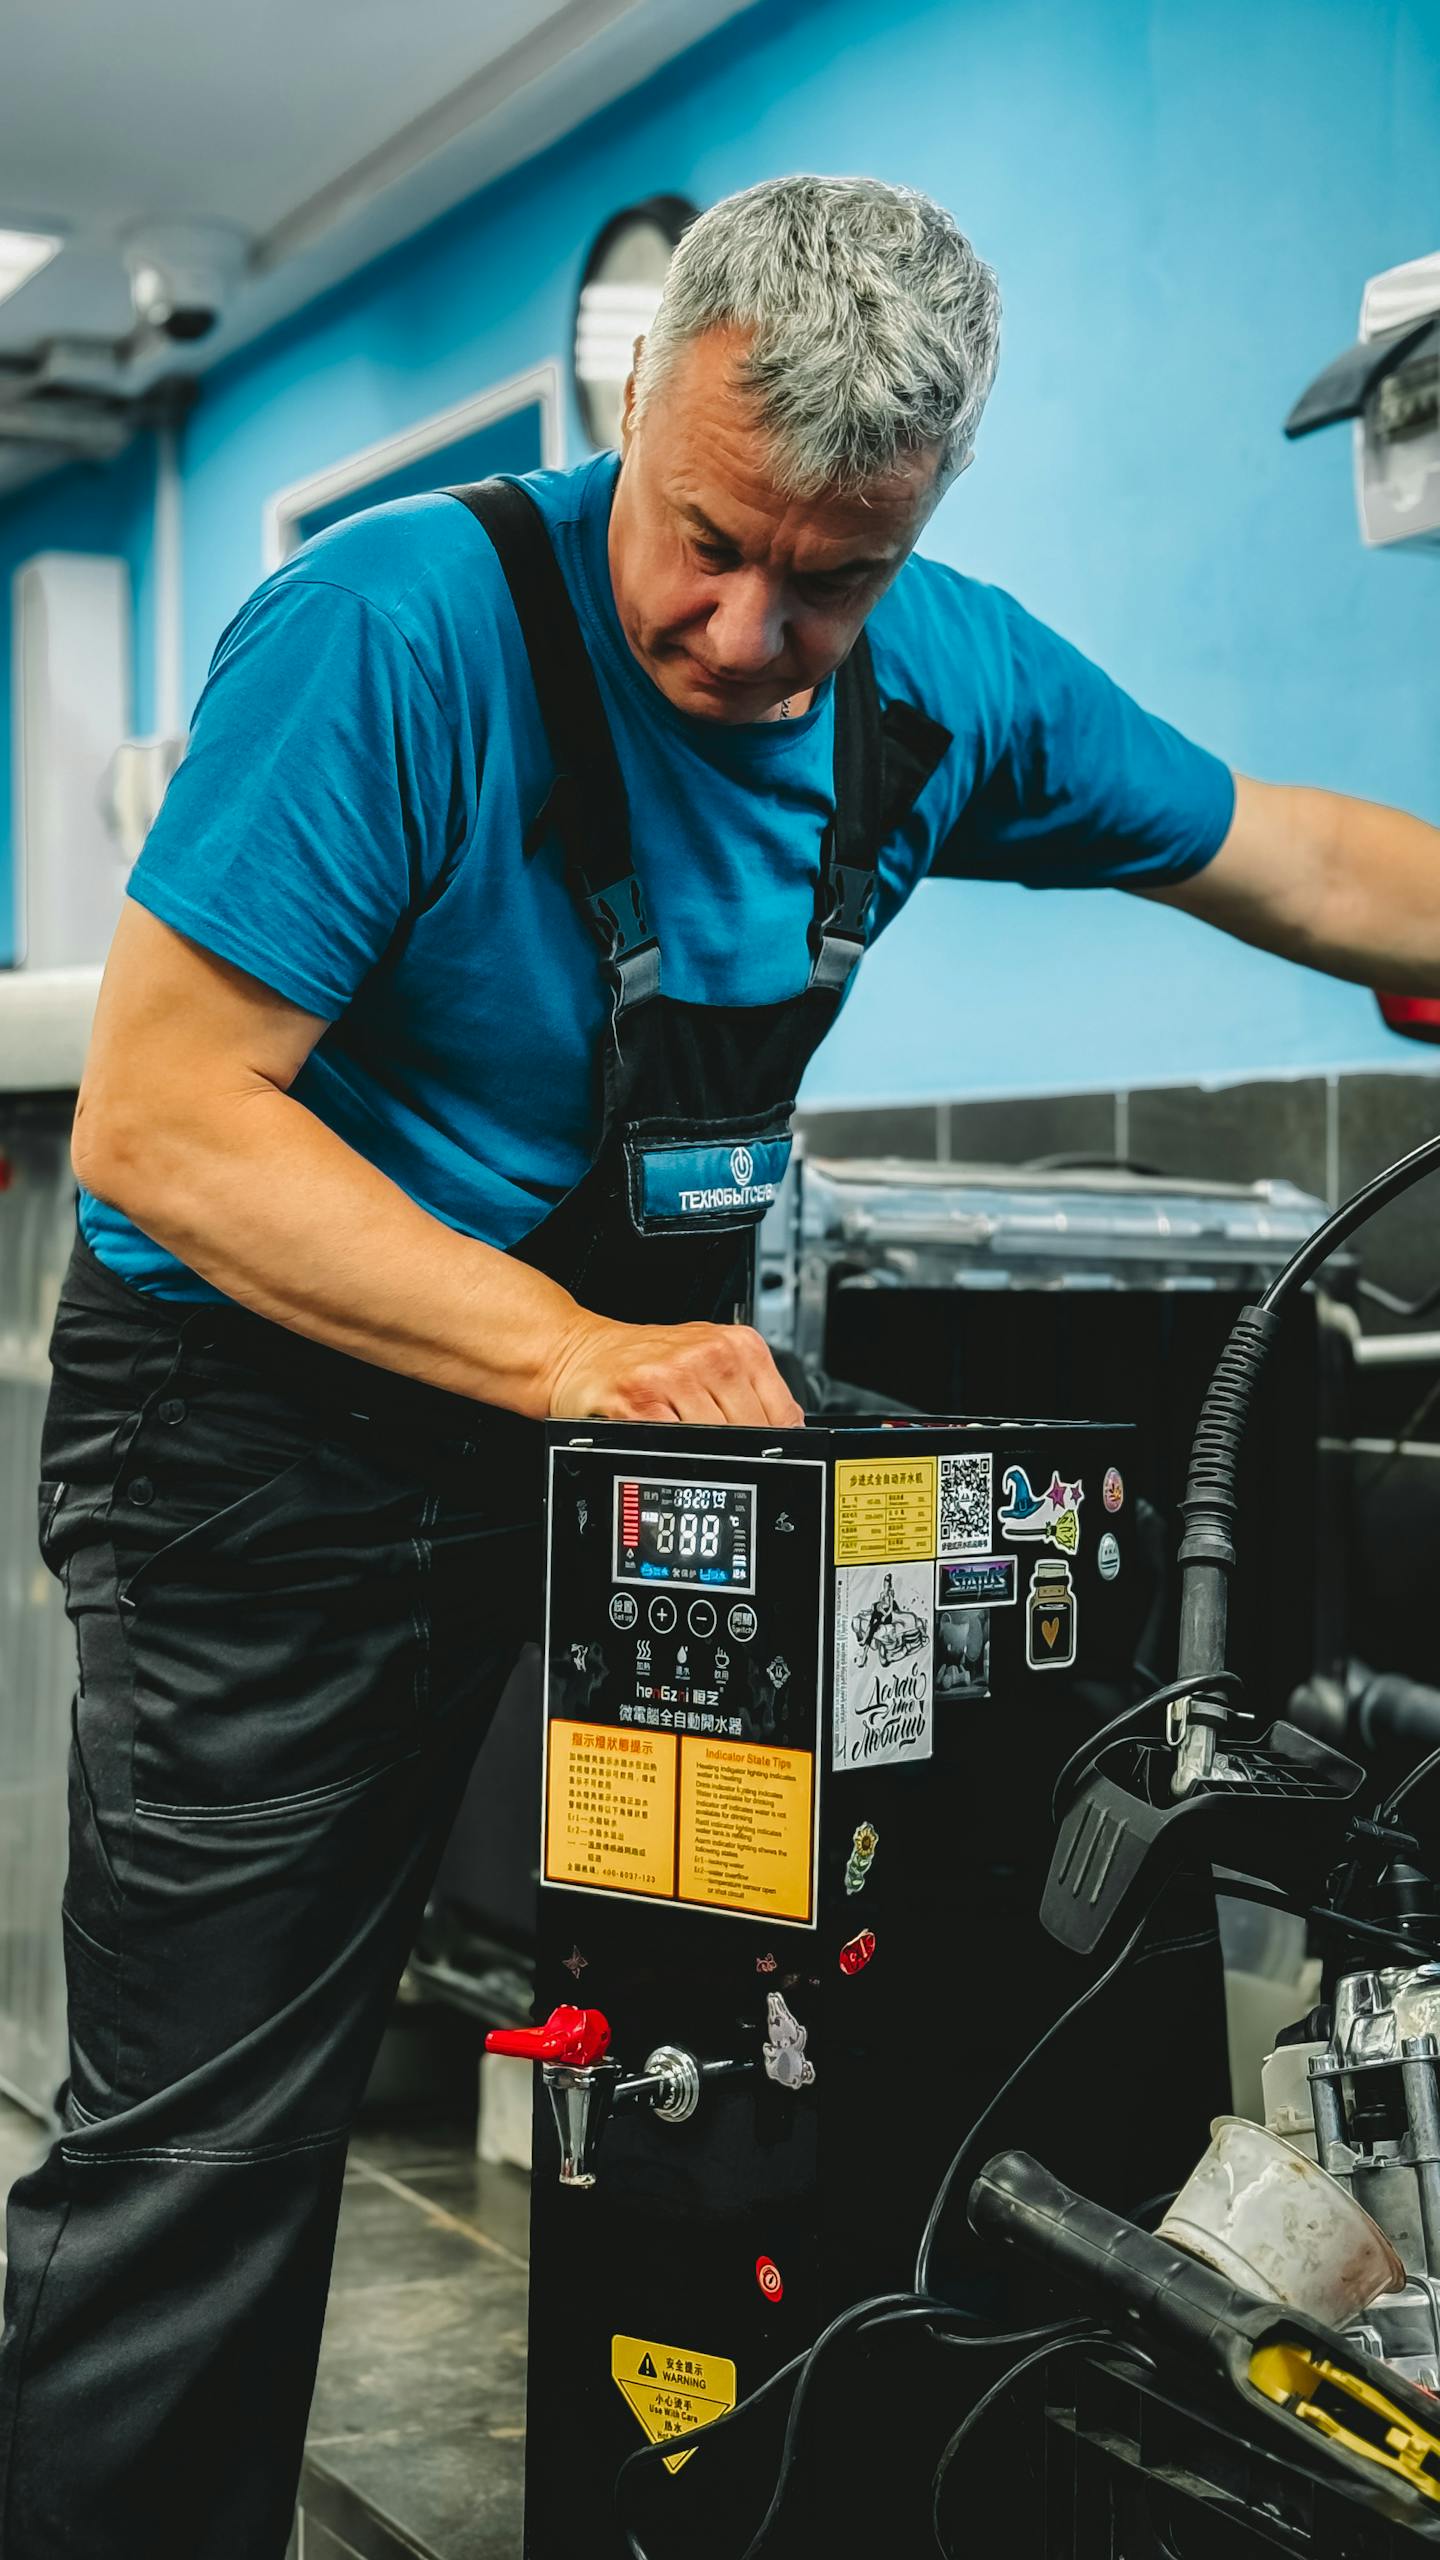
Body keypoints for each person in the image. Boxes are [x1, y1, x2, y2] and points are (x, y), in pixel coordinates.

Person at [2, 169, 1437, 2559]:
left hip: (614, 1396)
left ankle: (870, 2458)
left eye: (832, 575)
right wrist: (575, 1351)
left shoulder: (943, 678)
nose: (748, 627)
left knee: (937, 1813)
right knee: (210, 2138)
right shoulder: (391, 633)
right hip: (262, 1419)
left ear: (921, 524)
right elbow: (167, 1126)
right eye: (706, 539)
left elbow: (1289, 857)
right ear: (636, 399)